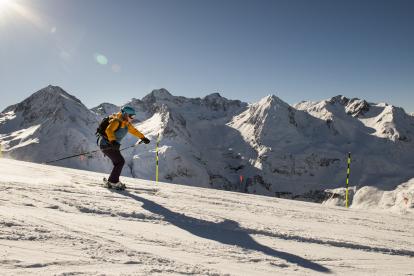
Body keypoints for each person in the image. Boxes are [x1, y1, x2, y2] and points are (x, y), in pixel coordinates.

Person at [98, 106, 150, 189]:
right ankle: (113, 182)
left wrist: (143, 137)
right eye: (131, 116)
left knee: (118, 162)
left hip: (112, 145)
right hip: (107, 144)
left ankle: (113, 180)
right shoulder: (116, 121)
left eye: (134, 116)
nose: (132, 118)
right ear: (125, 114)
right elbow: (109, 130)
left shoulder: (126, 123)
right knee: (120, 162)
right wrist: (113, 141)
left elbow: (134, 131)